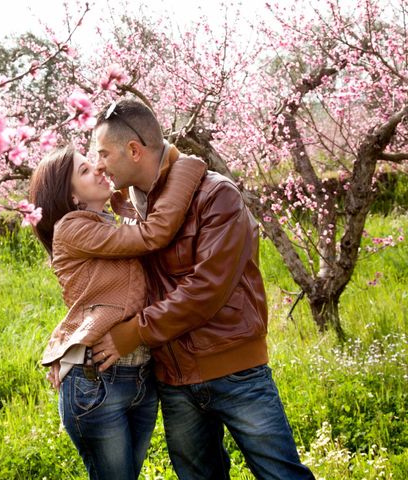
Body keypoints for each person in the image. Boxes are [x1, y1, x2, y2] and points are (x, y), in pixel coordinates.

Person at [83, 99, 315, 480]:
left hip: (235, 370)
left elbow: (206, 289)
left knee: (281, 475)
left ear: (134, 150)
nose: (100, 163)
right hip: (174, 379)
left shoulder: (214, 195)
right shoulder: (127, 211)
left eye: (104, 153)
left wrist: (134, 333)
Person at [28, 144, 206, 480]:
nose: (97, 167)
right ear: (72, 198)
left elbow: (96, 298)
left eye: (92, 161)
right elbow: (153, 235)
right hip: (98, 381)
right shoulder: (72, 227)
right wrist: (185, 166)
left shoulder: (106, 223)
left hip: (139, 374)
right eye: (83, 170)